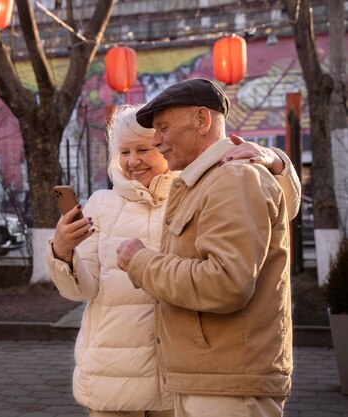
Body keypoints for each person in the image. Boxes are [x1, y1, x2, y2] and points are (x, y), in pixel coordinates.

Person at [48, 99, 300, 416]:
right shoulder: (101, 204)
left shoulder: (200, 191)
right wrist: (63, 252)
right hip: (112, 374)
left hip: (181, 376)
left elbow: (281, 209)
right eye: (124, 152)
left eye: (143, 149)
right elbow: (80, 290)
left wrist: (276, 161)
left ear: (164, 145)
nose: (132, 161)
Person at [116, 78, 298, 417]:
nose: (156, 141)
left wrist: (141, 263)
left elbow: (226, 283)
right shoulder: (208, 180)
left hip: (228, 386)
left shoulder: (234, 178)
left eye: (164, 128)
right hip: (209, 380)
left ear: (202, 120)